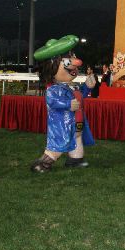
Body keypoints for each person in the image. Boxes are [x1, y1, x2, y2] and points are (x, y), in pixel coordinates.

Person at [30, 35, 95, 172]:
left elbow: (80, 97)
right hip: (63, 124)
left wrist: (87, 87)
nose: (75, 63)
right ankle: (43, 163)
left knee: (77, 140)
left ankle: (75, 160)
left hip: (77, 122)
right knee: (57, 146)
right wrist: (67, 104)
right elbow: (52, 101)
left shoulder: (73, 86)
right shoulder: (54, 89)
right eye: (68, 61)